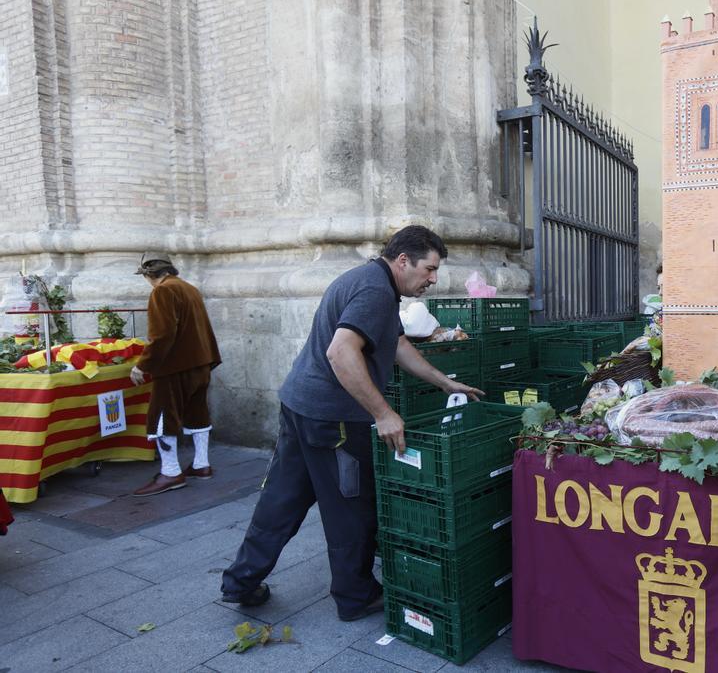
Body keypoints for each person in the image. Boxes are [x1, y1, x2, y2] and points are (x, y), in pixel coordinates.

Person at [220, 226, 484, 621]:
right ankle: (355, 595)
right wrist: (383, 413)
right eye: (429, 269)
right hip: (334, 419)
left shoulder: (367, 280)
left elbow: (396, 344)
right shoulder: (376, 291)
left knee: (281, 499)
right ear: (402, 260)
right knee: (352, 508)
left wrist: (443, 381)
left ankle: (240, 582)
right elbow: (341, 352)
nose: (432, 279)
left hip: (300, 405)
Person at [130, 253, 222, 497]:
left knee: (161, 417)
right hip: (200, 363)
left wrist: (143, 365)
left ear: (150, 275)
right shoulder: (190, 288)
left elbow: (162, 335)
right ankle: (202, 465)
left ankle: (171, 472)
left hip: (174, 367)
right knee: (197, 413)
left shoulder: (163, 291)